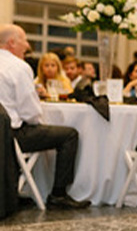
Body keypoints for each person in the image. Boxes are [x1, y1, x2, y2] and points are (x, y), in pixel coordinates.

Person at [0, 24, 90, 209]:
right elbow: (30, 113)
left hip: (3, 133)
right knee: (69, 135)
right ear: (11, 43)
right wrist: (40, 122)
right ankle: (58, 194)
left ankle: (13, 190)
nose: (27, 45)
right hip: (11, 136)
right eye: (24, 40)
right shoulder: (19, 67)